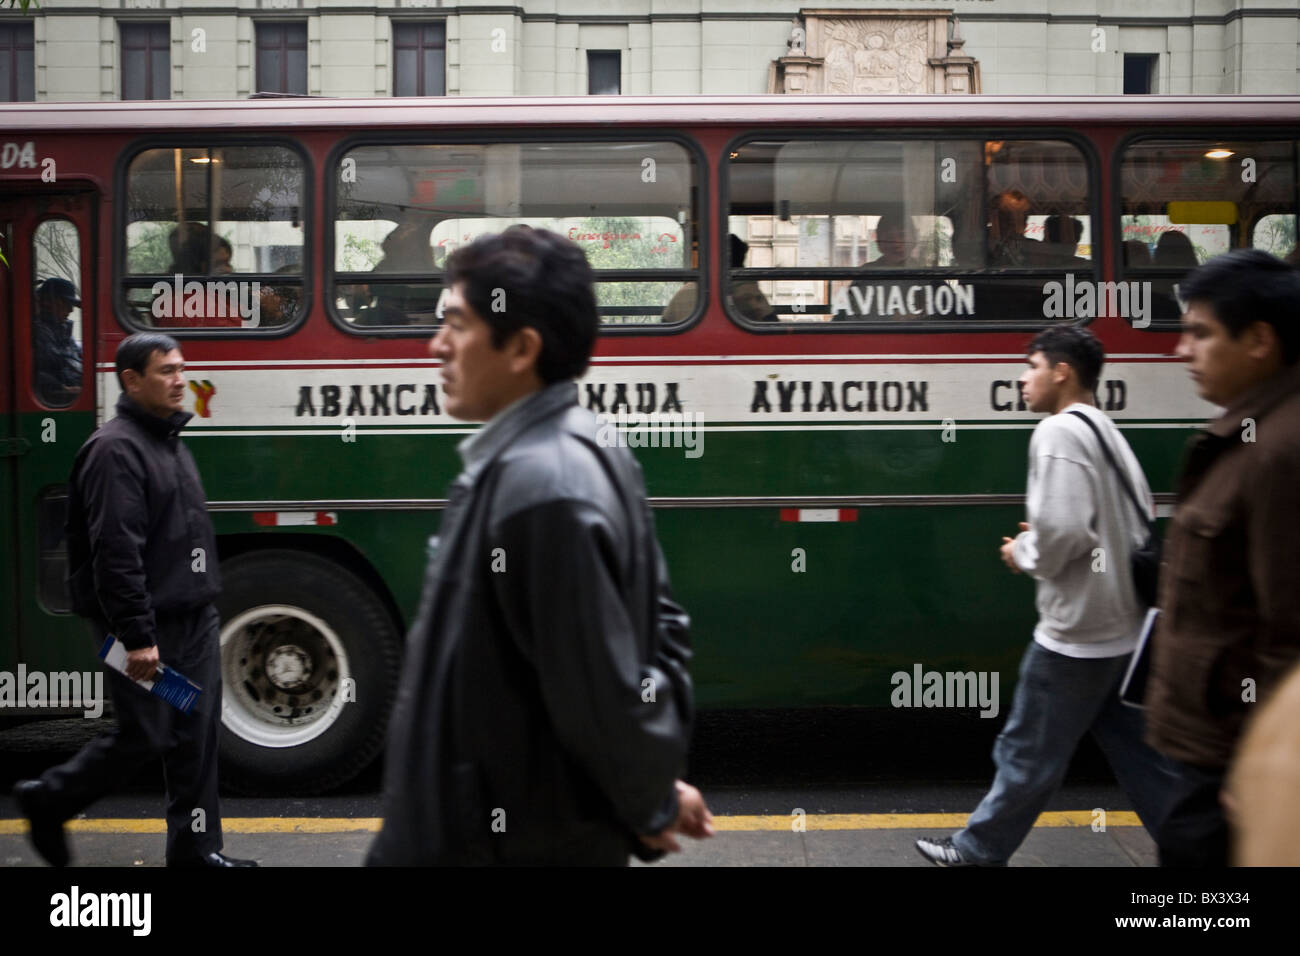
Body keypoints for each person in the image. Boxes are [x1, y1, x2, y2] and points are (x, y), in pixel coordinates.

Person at [367, 226, 712, 865]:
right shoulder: (586, 448)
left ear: (522, 347)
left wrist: (650, 801)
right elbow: (658, 635)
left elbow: (600, 692)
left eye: (458, 325)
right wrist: (651, 788)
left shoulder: (541, 486)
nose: (435, 344)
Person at [916, 325, 1175, 866]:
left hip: (1074, 634)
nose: (1021, 376)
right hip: (1121, 628)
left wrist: (1023, 552)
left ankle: (976, 852)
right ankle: (1203, 846)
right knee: (1145, 762)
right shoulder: (1104, 429)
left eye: (1031, 365)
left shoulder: (1057, 432)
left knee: (1026, 753)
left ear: (1063, 372)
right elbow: (1127, 521)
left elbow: (1064, 535)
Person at [11, 333, 256, 869]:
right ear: (130, 380)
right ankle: (50, 798)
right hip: (143, 634)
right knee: (147, 735)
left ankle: (196, 852)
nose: (178, 380)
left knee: (194, 737)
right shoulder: (114, 450)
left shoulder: (167, 439)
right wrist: (137, 636)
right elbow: (115, 552)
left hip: (188, 622)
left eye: (180, 369)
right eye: (165, 371)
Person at [1143, 249, 1300, 867]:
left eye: (1201, 333)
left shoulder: (1280, 453)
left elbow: (1288, 632)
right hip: (1211, 753)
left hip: (1231, 766)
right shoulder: (1249, 433)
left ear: (1259, 340)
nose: (1182, 351)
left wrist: (1265, 768)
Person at [661, 234, 774, 323]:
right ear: (739, 261)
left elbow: (665, 325)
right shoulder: (748, 291)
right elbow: (771, 324)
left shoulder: (685, 291)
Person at [32, 276, 83, 405]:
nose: (71, 310)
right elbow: (34, 372)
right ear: (49, 302)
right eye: (67, 304)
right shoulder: (37, 332)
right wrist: (63, 388)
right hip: (55, 397)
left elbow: (75, 359)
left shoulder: (62, 329)